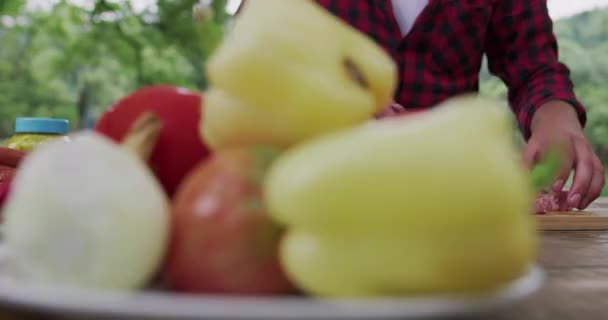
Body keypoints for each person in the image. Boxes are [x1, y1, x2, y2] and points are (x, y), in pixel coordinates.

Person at [237, 0, 605, 210]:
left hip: (449, 206)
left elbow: (533, 64)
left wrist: (557, 113)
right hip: (311, 192)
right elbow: (252, 46)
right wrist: (326, 97)